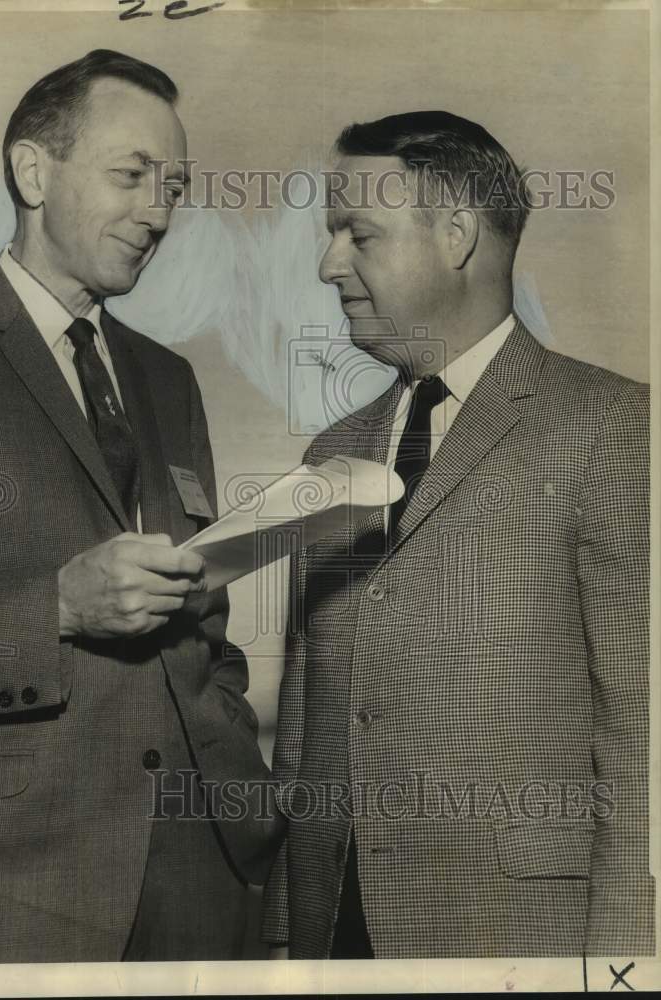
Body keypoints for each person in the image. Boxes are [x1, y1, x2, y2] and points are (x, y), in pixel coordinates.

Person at [0, 48, 279, 964]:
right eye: (132, 175)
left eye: (175, 186)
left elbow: (208, 631)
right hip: (4, 882)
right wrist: (58, 609)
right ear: (34, 171)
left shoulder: (169, 378)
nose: (159, 212)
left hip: (204, 877)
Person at [262, 110, 653, 958]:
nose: (328, 265)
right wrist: (283, 937)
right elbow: (303, 717)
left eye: (356, 233)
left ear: (456, 235)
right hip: (333, 932)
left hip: (523, 937)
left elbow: (644, 737)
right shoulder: (330, 453)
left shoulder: (616, 428)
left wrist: (627, 960)